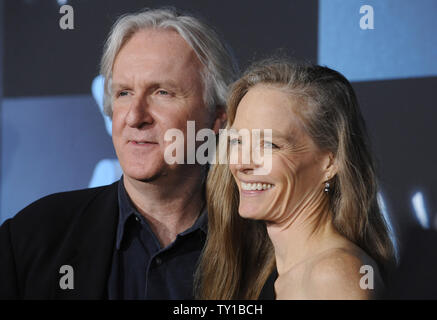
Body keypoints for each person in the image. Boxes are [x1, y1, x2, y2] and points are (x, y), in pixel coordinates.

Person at [0, 7, 238, 299]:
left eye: (162, 92)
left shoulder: (265, 248)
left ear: (217, 117)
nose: (135, 117)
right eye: (123, 93)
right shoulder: (31, 238)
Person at [196, 59, 396, 300]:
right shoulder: (270, 271)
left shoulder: (335, 275)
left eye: (269, 145)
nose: (241, 163)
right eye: (237, 142)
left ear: (330, 162)